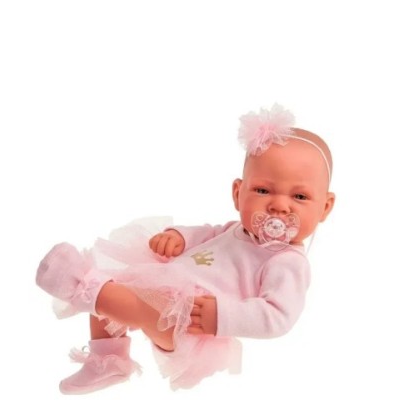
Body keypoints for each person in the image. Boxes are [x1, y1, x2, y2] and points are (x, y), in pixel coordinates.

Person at [36, 103, 335, 394]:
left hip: (189, 321)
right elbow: (207, 234)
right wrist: (178, 237)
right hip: (165, 287)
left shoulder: (287, 262)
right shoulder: (235, 230)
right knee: (116, 292)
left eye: (299, 196)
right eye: (262, 190)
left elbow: (279, 316)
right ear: (237, 193)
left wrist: (221, 315)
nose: (279, 205)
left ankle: (75, 282)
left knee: (121, 300)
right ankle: (108, 360)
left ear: (324, 207)